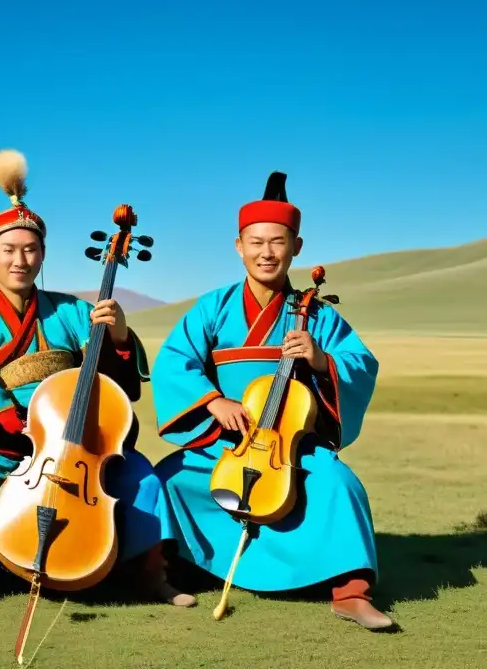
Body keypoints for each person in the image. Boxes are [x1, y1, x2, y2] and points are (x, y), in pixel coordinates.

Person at [0, 149, 196, 617]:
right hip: (6, 439)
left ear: (43, 255)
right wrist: (27, 430)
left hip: (80, 445)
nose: (20, 260)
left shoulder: (74, 311)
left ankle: (149, 572)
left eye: (30, 250)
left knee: (140, 475)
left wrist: (116, 335)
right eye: (9, 250)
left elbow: (113, 388)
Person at [150, 171, 393, 630]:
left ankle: (350, 592)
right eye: (256, 241)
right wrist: (210, 401)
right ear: (238, 245)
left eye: (278, 242)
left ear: (295, 247)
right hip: (227, 440)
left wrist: (322, 361)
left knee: (339, 485)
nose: (266, 252)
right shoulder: (213, 307)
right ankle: (175, 572)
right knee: (169, 479)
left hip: (291, 447)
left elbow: (361, 362)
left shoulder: (316, 312)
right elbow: (174, 361)